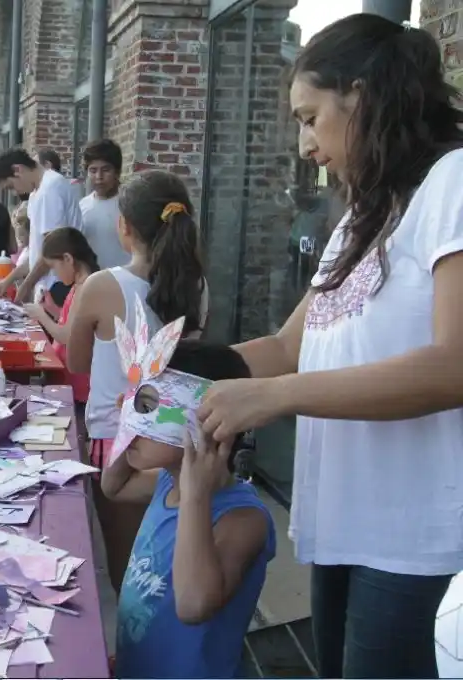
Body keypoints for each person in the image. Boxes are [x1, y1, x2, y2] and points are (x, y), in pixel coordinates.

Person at [196, 15, 463, 678]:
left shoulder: (453, 184)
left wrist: (270, 398)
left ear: (363, 95)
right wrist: (179, 373)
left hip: (416, 539)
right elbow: (289, 348)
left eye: (310, 117)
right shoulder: (365, 217)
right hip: (347, 525)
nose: (305, 144)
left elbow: (454, 365)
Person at [66, 169, 208, 590]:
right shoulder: (198, 286)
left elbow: (76, 361)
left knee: (127, 568)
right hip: (179, 440)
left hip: (121, 442)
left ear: (124, 226)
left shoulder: (101, 285)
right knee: (166, 559)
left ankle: (130, 651)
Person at [106, 340, 275, 679]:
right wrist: (128, 426)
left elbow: (193, 604)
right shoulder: (167, 482)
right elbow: (114, 486)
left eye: (149, 407)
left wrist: (196, 494)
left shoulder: (244, 519)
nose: (136, 420)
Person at [23, 227, 97, 438]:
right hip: (66, 374)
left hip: (78, 381)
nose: (54, 274)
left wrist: (41, 316)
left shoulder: (86, 286)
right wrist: (52, 310)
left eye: (54, 267)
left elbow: (67, 335)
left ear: (68, 258)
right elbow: (72, 322)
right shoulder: (79, 284)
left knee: (75, 435)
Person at [0, 147, 82, 306]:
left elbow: (52, 250)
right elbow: (37, 251)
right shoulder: (36, 193)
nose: (14, 192)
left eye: (11, 186)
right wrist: (9, 280)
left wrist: (26, 286)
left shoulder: (49, 189)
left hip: (59, 284)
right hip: (48, 285)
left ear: (17, 170)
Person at [80, 139, 129, 269]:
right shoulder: (82, 207)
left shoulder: (130, 204)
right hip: (94, 283)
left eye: (106, 170)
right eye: (93, 170)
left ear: (117, 172)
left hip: (125, 283)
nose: (99, 176)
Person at [0, 199, 31, 297]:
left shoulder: (31, 251)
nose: (19, 240)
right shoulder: (26, 250)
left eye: (22, 235)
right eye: (17, 236)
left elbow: (26, 268)